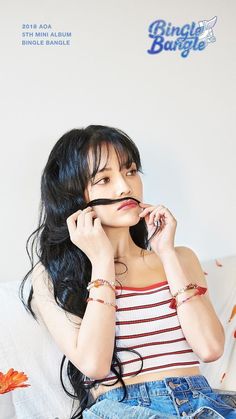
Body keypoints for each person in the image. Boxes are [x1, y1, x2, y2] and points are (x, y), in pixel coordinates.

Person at [19, 125, 236, 418]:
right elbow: (94, 364)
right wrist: (101, 262)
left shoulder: (180, 257)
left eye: (130, 171)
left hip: (203, 404)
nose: (125, 187)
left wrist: (167, 254)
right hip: (123, 410)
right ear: (75, 195)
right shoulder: (50, 277)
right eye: (104, 179)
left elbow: (210, 348)